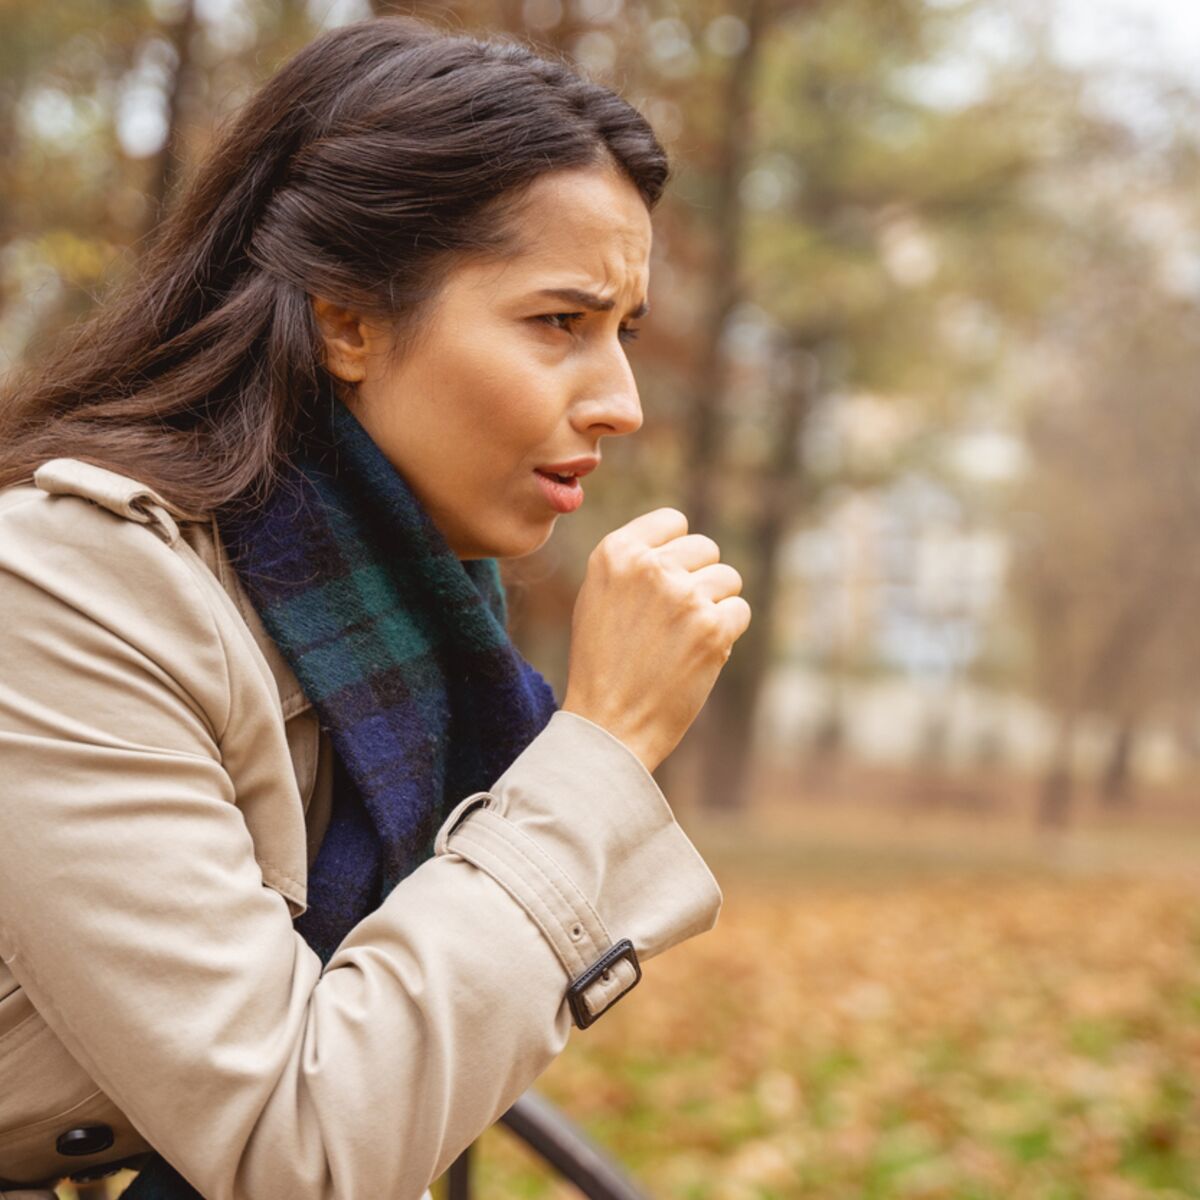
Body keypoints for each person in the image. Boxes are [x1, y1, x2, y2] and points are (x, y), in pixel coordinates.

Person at [0, 16, 751, 1200]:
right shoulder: (66, 593)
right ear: (347, 320)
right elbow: (299, 1147)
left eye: (627, 332)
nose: (622, 402)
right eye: (560, 321)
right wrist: (601, 747)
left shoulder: (423, 622)